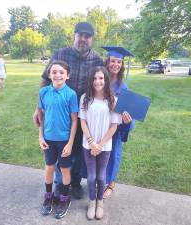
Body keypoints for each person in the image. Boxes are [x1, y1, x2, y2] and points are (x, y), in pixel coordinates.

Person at [33, 21, 103, 202]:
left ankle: (75, 183)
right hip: (61, 113)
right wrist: (37, 109)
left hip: (84, 113)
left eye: (87, 36)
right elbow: (44, 80)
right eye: (80, 35)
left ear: (92, 39)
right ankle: (59, 183)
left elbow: (103, 84)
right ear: (74, 36)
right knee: (59, 147)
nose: (83, 39)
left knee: (78, 149)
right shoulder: (61, 54)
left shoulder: (97, 60)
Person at [79, 66, 122, 220]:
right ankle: (91, 202)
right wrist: (91, 142)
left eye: (101, 78)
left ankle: (100, 202)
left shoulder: (113, 100)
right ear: (91, 80)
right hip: (88, 144)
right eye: (95, 78)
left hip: (105, 146)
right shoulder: (85, 98)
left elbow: (114, 126)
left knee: (101, 176)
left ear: (106, 80)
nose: (98, 81)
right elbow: (83, 122)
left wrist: (100, 144)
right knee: (91, 177)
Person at [38, 60, 78, 219]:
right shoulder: (43, 92)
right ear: (49, 75)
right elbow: (42, 116)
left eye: (61, 72)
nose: (57, 75)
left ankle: (64, 199)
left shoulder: (71, 94)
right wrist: (40, 135)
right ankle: (48, 197)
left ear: (67, 75)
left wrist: (70, 143)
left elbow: (75, 120)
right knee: (48, 168)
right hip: (48, 139)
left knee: (65, 170)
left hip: (64, 141)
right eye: (54, 72)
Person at [102, 46, 136, 199]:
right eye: (113, 61)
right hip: (99, 125)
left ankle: (110, 183)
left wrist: (128, 121)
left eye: (119, 62)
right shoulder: (100, 78)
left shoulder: (123, 87)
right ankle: (97, 181)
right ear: (108, 61)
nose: (116, 64)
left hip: (114, 129)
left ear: (122, 65)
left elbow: (129, 114)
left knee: (112, 154)